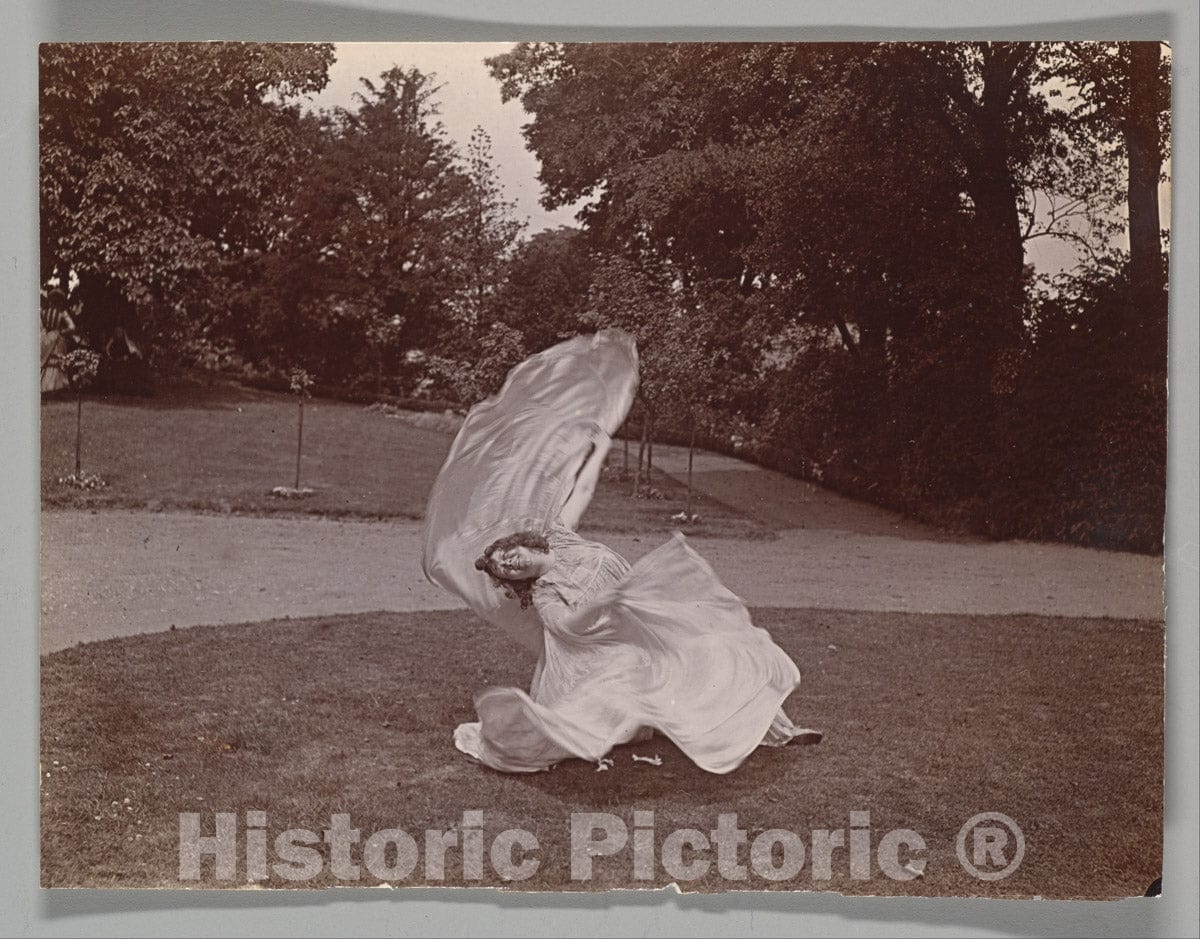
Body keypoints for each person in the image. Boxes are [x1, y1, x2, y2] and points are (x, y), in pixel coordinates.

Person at [422, 330, 821, 774]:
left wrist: (600, 447)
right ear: (515, 582)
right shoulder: (546, 594)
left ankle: (779, 730)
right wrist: (608, 601)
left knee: (715, 646)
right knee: (662, 676)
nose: (510, 563)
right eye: (505, 570)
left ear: (520, 543)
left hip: (636, 622)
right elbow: (570, 628)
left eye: (507, 554)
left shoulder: (559, 535)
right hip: (597, 657)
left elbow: (583, 489)